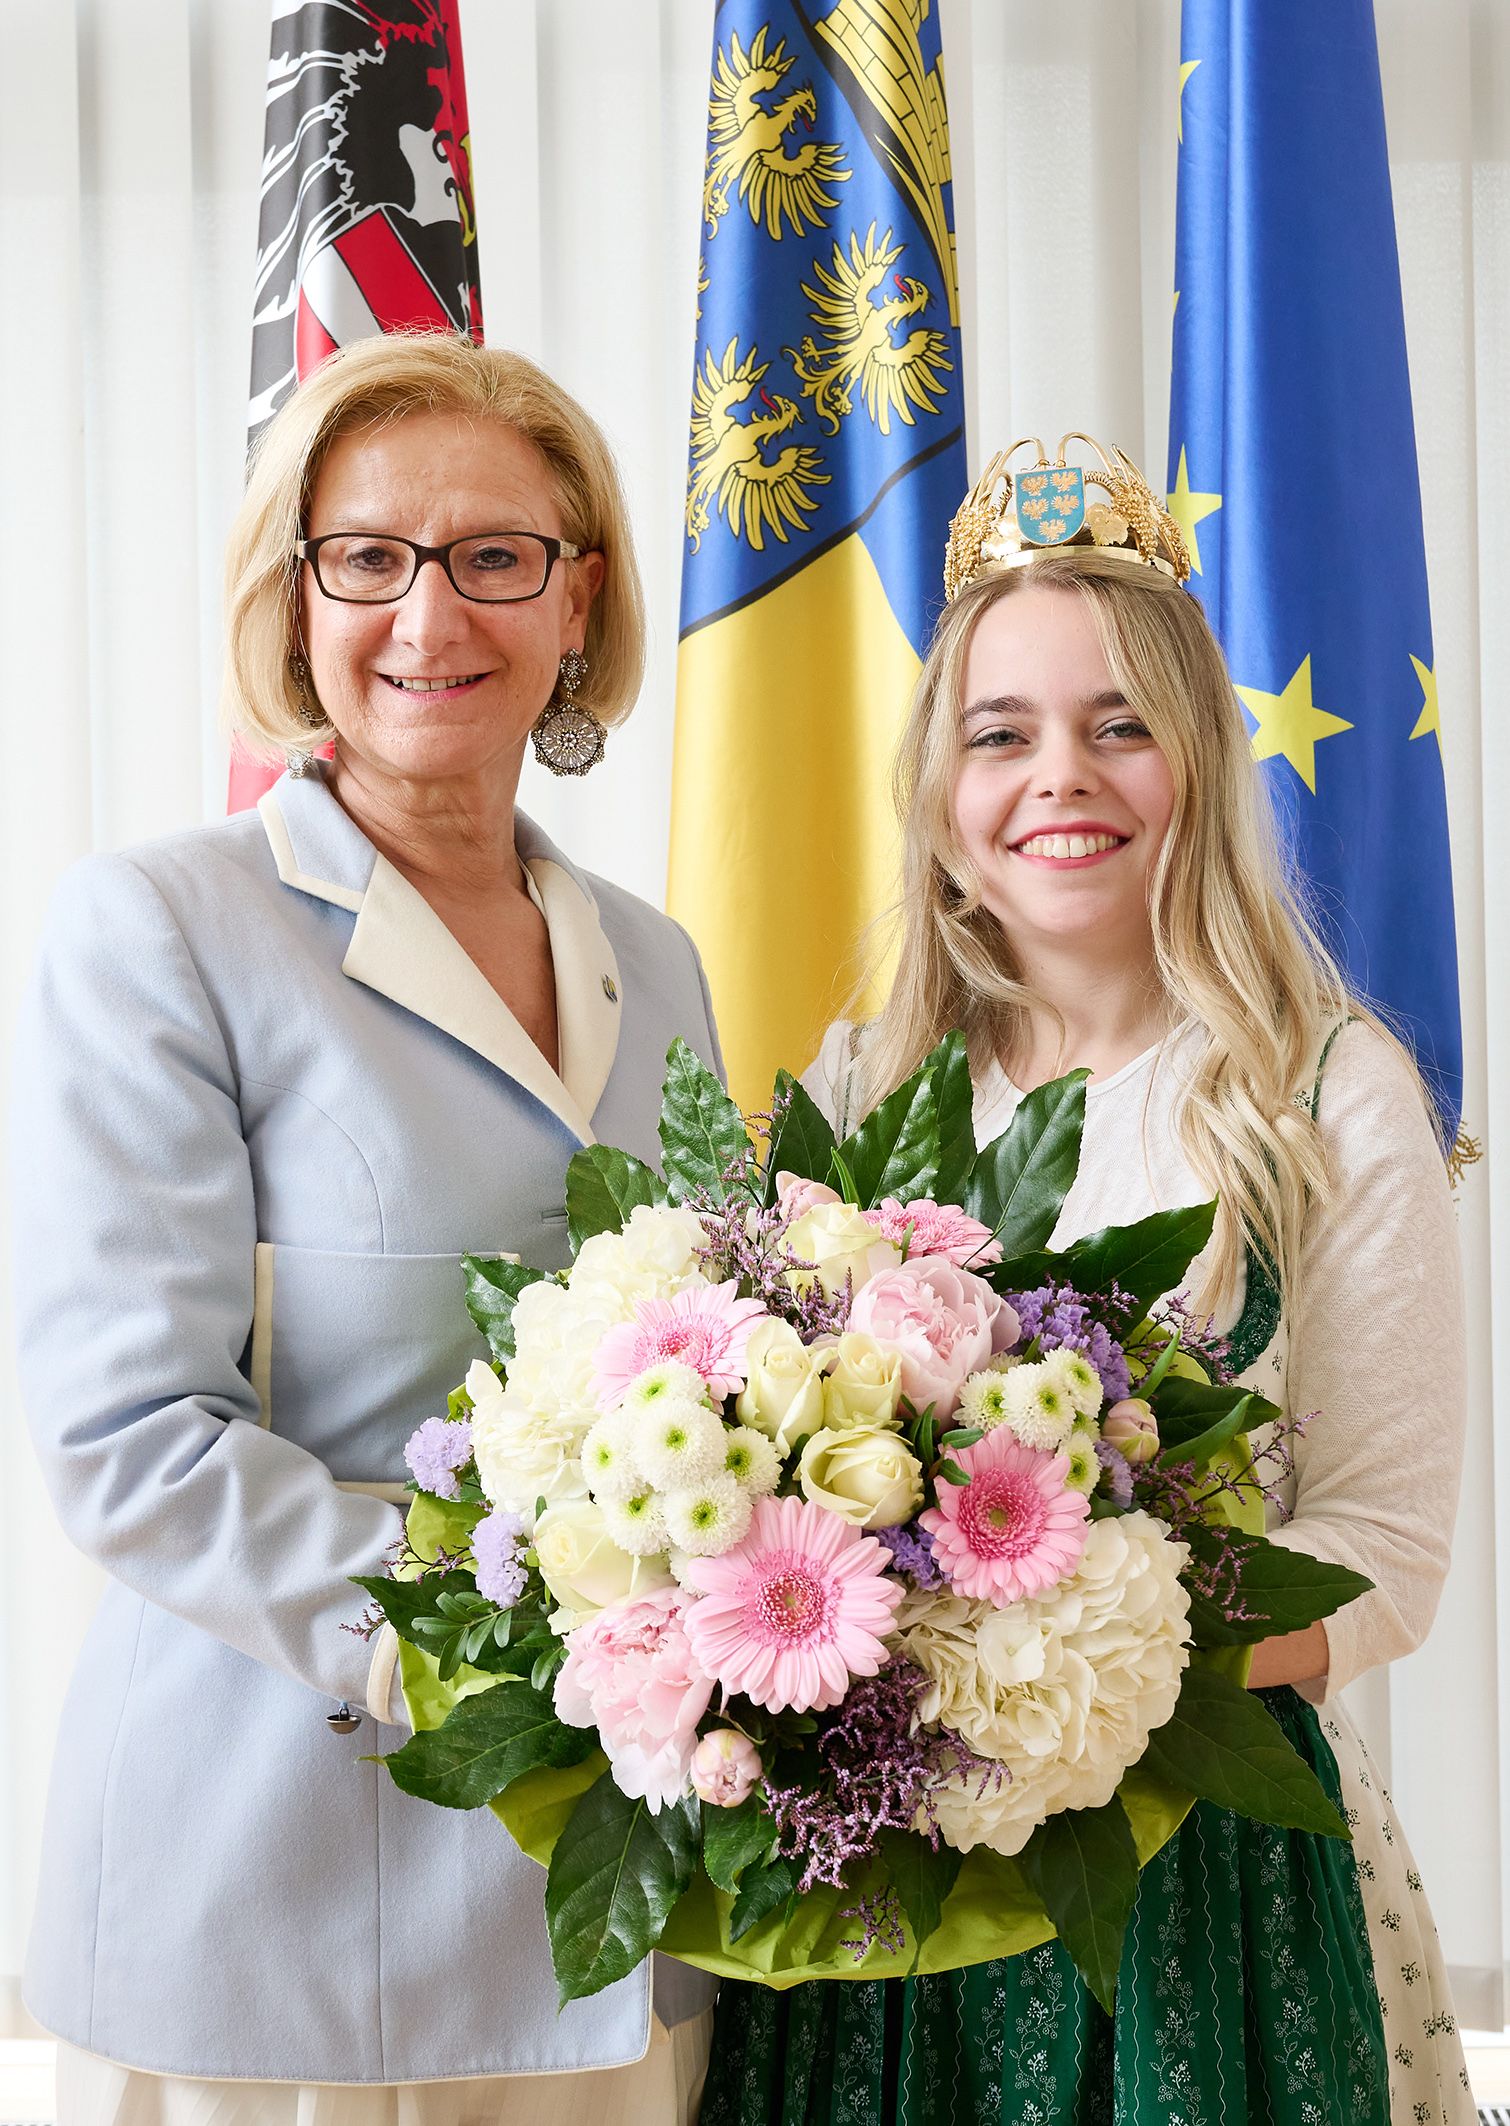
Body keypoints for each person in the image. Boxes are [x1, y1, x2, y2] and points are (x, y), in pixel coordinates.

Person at [702, 439, 1472, 2125]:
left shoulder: (1320, 1092)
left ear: (1196, 756)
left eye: (1120, 722)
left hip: (1202, 1890)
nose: (1064, 772)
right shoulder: (852, 1092)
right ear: (942, 792)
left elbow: (1383, 1564)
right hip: (884, 1909)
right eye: (1004, 731)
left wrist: (1036, 1671)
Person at [11, 333, 719, 2123]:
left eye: (495, 554)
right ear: (297, 592)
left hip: (628, 1907)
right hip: (287, 1890)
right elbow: (132, 1443)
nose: (430, 613)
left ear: (580, 597)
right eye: (370, 557)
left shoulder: (662, 958)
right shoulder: (161, 928)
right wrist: (527, 1640)